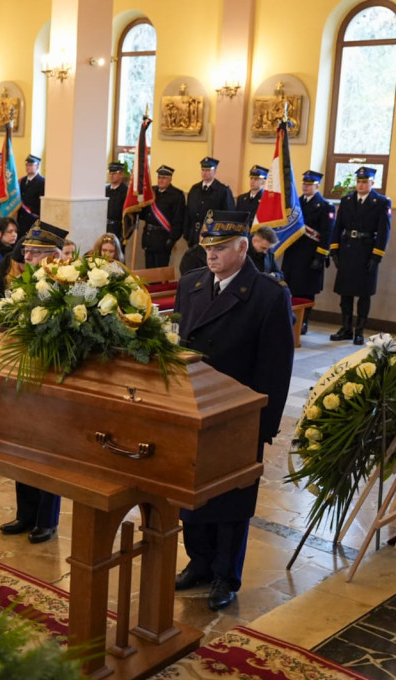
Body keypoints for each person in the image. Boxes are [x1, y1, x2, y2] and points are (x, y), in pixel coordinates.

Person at [172, 210, 293, 611]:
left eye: (220, 248)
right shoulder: (190, 285)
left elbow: (276, 367)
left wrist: (264, 424)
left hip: (238, 414)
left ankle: (226, 574)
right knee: (193, 494)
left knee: (232, 499)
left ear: (243, 247)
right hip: (194, 408)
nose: (211, 255)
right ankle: (199, 563)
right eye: (207, 247)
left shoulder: (268, 295)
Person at [0, 221, 68, 543]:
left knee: (47, 450)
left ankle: (46, 519)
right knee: (20, 445)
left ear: (54, 256)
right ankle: (24, 514)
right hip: (22, 372)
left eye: (35, 252)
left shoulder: (74, 285)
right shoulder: (19, 284)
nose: (27, 256)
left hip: (52, 376)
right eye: (26, 250)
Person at [329, 166, 391, 344]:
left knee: (364, 294)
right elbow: (338, 226)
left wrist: (376, 256)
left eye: (365, 182)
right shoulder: (347, 200)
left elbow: (384, 231)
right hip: (347, 249)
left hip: (366, 251)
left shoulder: (381, 202)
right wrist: (334, 249)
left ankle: (359, 331)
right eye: (359, 181)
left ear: (372, 183)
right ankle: (346, 328)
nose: (361, 185)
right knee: (345, 293)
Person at [282, 170, 333, 334]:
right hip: (293, 253)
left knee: (306, 290)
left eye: (310, 184)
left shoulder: (325, 206)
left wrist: (321, 255)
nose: (306, 186)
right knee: (290, 287)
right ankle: (289, 318)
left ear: (317, 186)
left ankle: (304, 321)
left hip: (310, 254)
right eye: (304, 183)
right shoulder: (296, 204)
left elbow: (327, 233)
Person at [184, 157, 235, 248]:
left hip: (212, 237)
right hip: (194, 236)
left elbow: (228, 216)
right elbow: (188, 213)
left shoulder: (223, 191)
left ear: (215, 171)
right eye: (203, 170)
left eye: (208, 170)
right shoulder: (195, 189)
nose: (204, 173)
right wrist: (187, 234)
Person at [141, 165, 186, 268]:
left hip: (163, 239)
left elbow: (178, 219)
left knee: (160, 272)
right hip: (149, 237)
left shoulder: (176, 195)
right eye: (159, 177)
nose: (160, 180)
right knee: (149, 272)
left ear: (170, 179)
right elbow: (144, 214)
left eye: (164, 178)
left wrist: (172, 238)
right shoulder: (152, 192)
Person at [18, 155, 44, 236]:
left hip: (33, 218)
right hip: (22, 218)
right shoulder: (22, 180)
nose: (27, 167)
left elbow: (41, 202)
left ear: (37, 166)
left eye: (30, 165)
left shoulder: (42, 182)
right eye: (26, 165)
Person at [104, 161, 128, 241]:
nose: (111, 175)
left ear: (121, 175)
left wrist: (124, 234)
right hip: (105, 227)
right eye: (110, 173)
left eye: (114, 173)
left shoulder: (125, 192)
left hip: (118, 229)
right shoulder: (105, 190)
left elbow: (128, 216)